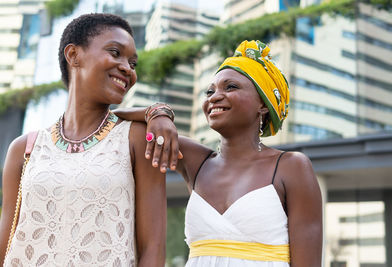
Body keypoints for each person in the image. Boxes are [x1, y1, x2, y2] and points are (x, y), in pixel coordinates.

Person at [116, 40, 322, 266]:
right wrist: (158, 113)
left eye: (230, 87)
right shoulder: (197, 161)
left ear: (263, 105)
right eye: (210, 91)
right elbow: (113, 119)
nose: (214, 96)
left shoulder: (291, 166)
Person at [0, 13, 178, 266]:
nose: (127, 68)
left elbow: (153, 248)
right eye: (115, 52)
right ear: (73, 55)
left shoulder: (137, 139)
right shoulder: (24, 149)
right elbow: (5, 244)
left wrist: (157, 111)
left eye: (133, 63)